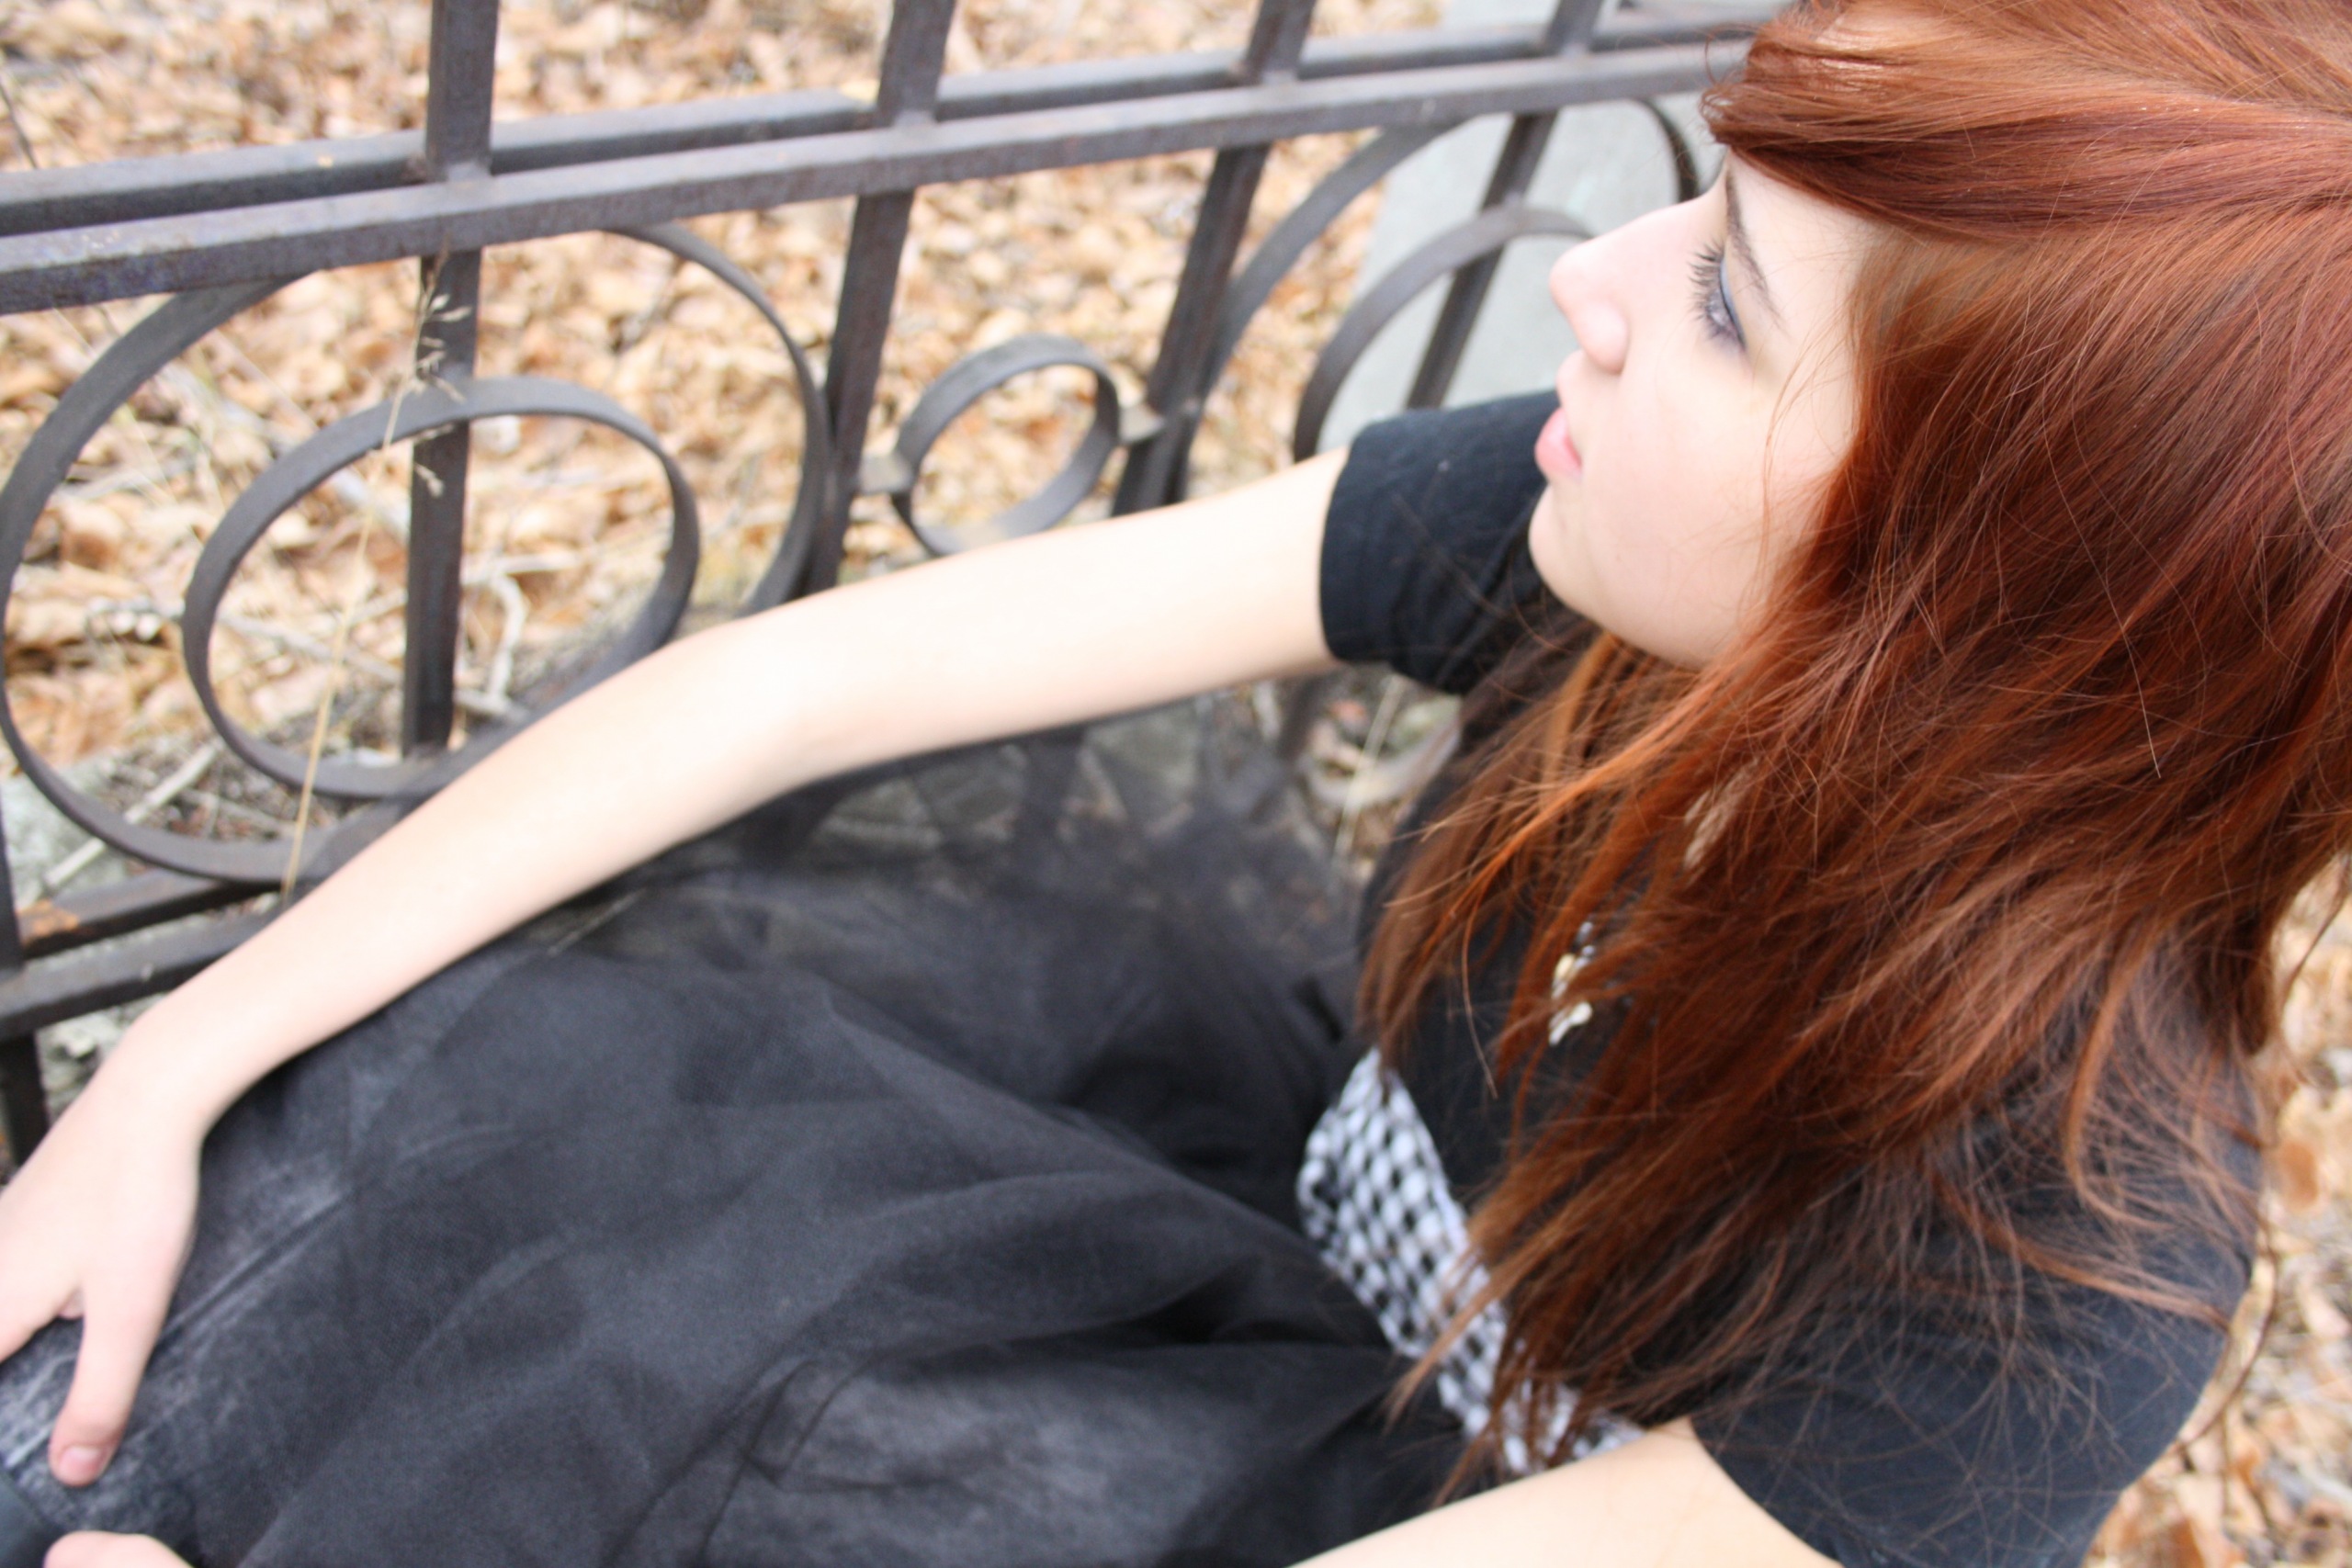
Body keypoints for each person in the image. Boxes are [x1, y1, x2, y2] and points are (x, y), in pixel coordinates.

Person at [3, 0, 2342, 1560]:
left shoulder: (2048, 1279)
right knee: (510, 1151)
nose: (1598, 280)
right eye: (1694, 200)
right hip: (1194, 1219)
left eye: (1723, 299)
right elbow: (796, 692)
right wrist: (175, 1065)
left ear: (1968, 612)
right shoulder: (1600, 569)